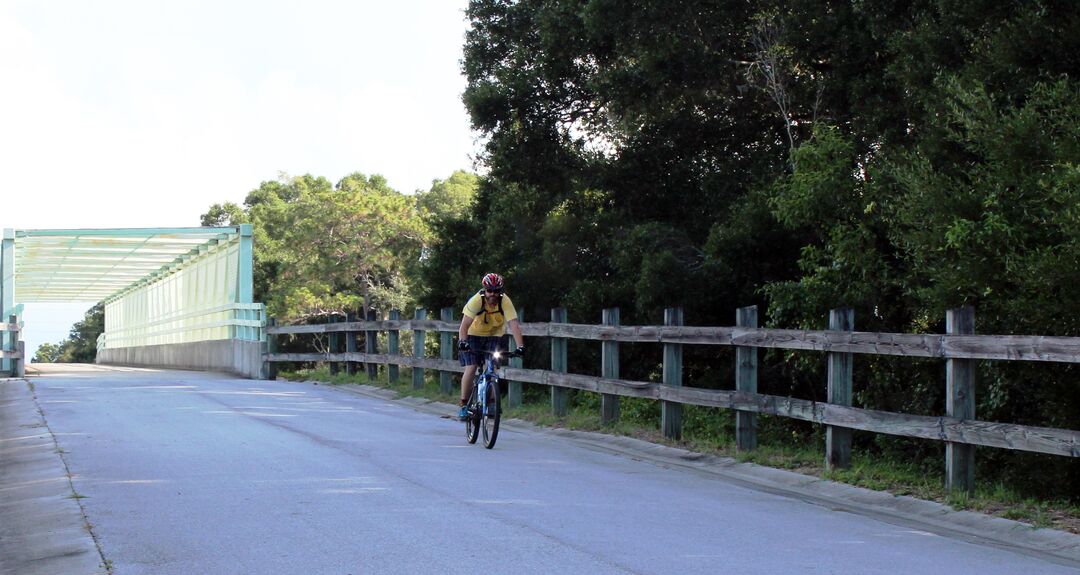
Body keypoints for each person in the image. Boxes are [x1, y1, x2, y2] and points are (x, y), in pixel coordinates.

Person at [456, 273, 525, 420]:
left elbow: (514, 325)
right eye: (489, 291)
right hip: (473, 335)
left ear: (500, 291)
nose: (492, 294)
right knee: (472, 367)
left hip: (494, 336)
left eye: (496, 291)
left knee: (492, 367)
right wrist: (463, 341)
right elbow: (464, 326)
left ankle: (492, 403)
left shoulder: (505, 301)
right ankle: (463, 405)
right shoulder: (476, 301)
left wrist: (520, 346)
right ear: (484, 290)